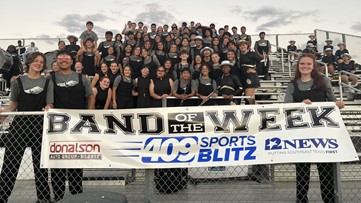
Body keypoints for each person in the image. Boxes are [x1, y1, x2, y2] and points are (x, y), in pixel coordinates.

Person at [284, 53, 344, 203]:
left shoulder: (324, 81)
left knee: (326, 171)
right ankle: (301, 199)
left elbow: (333, 102)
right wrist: (300, 105)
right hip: (301, 134)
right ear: (298, 66)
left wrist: (339, 104)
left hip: (322, 133)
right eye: (302, 64)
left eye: (308, 64)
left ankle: (329, 200)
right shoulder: (292, 85)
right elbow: (287, 108)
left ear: (314, 66)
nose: (305, 66)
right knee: (302, 171)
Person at [0, 52, 53, 203]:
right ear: (29, 63)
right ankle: (2, 196)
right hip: (20, 126)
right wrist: (5, 113)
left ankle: (43, 198)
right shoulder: (18, 82)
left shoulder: (48, 82)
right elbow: (14, 104)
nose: (38, 64)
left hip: (39, 127)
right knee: (10, 163)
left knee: (40, 165)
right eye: (36, 61)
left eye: (41, 62)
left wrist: (49, 108)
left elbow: (49, 104)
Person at [51, 50, 95, 202]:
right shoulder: (49, 78)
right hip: (56, 128)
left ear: (72, 61)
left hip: (77, 126)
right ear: (56, 61)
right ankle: (58, 197)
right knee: (57, 162)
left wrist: (89, 115)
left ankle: (77, 196)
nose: (64, 60)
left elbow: (90, 96)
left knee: (76, 162)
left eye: (67, 58)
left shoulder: (82, 78)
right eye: (61, 58)